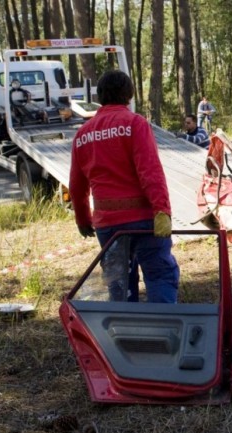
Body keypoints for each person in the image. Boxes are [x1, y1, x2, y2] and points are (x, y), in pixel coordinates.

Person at [69, 70, 179, 303]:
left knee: (119, 284)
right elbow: (150, 172)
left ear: (99, 96)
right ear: (128, 95)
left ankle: (122, 333)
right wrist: (162, 210)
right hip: (143, 221)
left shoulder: (83, 134)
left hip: (108, 226)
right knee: (159, 274)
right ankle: (164, 329)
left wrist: (82, 219)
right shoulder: (134, 124)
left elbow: (77, 185)